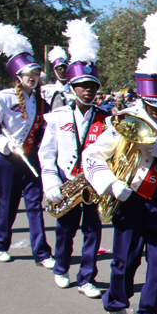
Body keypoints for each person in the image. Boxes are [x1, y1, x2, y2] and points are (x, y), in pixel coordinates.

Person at [82, 8, 157, 314]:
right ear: (143, 99)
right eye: (155, 105)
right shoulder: (123, 120)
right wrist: (111, 185)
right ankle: (117, 303)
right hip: (128, 199)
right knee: (124, 262)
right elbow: (91, 157)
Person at [39, 18, 107, 298]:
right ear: (72, 88)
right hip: (67, 183)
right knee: (65, 231)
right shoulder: (58, 118)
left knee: (93, 232)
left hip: (93, 185)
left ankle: (87, 277)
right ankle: (61, 268)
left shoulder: (107, 119)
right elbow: (47, 154)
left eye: (92, 85)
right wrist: (51, 184)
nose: (88, 90)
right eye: (82, 85)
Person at [0, 22, 55, 267]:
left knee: (35, 204)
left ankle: (42, 252)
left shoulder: (40, 101)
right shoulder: (2, 98)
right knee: (8, 204)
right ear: (18, 76)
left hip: (31, 158)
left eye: (36, 74)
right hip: (8, 160)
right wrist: (5, 144)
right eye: (29, 74)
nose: (33, 78)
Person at [41, 46, 72, 110]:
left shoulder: (74, 90)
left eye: (65, 68)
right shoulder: (46, 91)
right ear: (55, 72)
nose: (63, 70)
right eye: (59, 69)